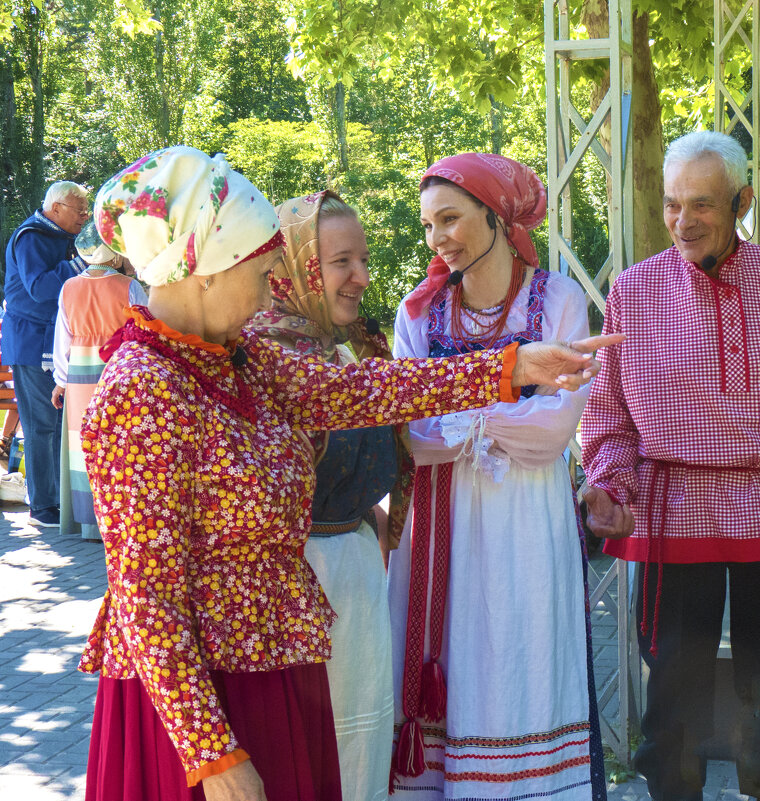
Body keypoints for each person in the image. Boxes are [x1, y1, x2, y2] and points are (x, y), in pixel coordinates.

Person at [77, 145, 617, 801]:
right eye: (260, 271)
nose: (271, 288)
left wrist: (513, 368)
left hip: (271, 665)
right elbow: (146, 596)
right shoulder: (140, 391)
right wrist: (212, 753)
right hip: (203, 701)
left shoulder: (237, 358)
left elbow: (355, 392)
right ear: (205, 271)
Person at [580, 131, 760, 801]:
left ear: (738, 201)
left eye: (700, 204)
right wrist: (610, 481)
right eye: (673, 204)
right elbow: (608, 415)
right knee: (672, 696)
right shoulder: (632, 290)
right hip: (674, 510)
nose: (681, 221)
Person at [388, 153, 607, 800]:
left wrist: (455, 416)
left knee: (518, 653)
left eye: (450, 218)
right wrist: (501, 405)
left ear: (493, 214)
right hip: (440, 522)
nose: (437, 239)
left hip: (525, 522)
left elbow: (551, 433)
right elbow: (407, 431)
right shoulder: (418, 313)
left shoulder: (559, 299)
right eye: (428, 226)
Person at [248, 190, 409, 801]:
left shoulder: (343, 345)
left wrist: (363, 508)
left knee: (359, 743)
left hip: (355, 570)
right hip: (293, 583)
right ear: (294, 262)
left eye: (363, 259)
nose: (361, 278)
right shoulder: (262, 353)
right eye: (341, 261)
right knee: (308, 754)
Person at [52, 225, 147, 539]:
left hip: (79, 373)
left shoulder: (68, 288)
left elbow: (62, 339)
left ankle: (90, 523)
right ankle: (121, 518)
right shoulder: (128, 286)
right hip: (119, 369)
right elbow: (147, 328)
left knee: (85, 443)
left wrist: (61, 382)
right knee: (120, 442)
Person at [1, 180, 88, 527]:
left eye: (85, 210)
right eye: (78, 210)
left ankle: (63, 499)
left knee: (63, 423)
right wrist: (82, 264)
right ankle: (43, 505)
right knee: (41, 425)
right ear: (55, 210)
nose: (84, 216)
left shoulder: (61, 237)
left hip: (57, 344)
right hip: (33, 343)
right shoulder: (32, 236)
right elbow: (41, 289)